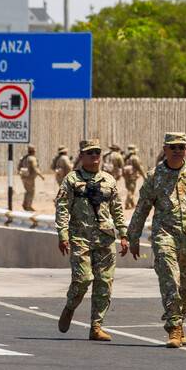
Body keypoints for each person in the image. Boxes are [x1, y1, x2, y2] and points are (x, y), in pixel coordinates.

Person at [127, 132, 186, 348]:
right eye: (173, 147)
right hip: (164, 235)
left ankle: (180, 321)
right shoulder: (154, 176)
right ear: (165, 149)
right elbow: (142, 208)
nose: (177, 151)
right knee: (170, 278)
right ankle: (173, 326)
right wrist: (133, 237)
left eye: (181, 147)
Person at [55, 138, 128, 341]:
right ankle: (71, 306)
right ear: (82, 156)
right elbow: (62, 208)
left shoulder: (109, 180)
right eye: (90, 153)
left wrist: (123, 234)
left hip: (105, 238)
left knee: (104, 282)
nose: (94, 156)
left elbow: (117, 209)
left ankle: (96, 326)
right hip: (80, 237)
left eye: (97, 152)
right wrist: (63, 234)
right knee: (83, 279)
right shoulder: (72, 179)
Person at [18, 145, 44, 211]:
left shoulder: (24, 158)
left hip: (23, 177)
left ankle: (25, 204)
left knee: (27, 191)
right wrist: (41, 176)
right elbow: (35, 168)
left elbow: (18, 167)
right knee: (31, 192)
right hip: (29, 178)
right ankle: (28, 206)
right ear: (33, 151)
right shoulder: (32, 158)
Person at [122, 145, 146, 209]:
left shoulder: (125, 157)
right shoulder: (135, 158)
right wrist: (144, 176)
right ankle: (127, 204)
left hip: (126, 176)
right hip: (132, 176)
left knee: (129, 189)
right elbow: (139, 168)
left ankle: (132, 203)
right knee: (131, 190)